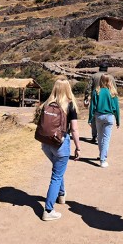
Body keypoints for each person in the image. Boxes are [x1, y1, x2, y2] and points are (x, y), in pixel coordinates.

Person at [39, 76, 81, 221]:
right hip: (61, 144)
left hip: (46, 144)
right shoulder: (70, 105)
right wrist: (78, 147)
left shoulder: (47, 103)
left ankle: (61, 195)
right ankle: (48, 210)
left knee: (58, 170)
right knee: (56, 175)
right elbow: (74, 129)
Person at [88, 74, 120, 168]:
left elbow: (92, 107)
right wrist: (118, 120)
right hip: (109, 116)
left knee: (100, 136)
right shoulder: (112, 92)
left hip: (99, 116)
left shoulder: (96, 91)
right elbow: (116, 108)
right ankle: (103, 159)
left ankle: (101, 155)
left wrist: (90, 118)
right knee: (106, 138)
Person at [84, 62, 116, 143]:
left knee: (94, 117)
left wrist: (86, 98)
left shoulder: (94, 76)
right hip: (107, 100)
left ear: (99, 68)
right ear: (107, 69)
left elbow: (88, 88)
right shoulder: (110, 77)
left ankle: (94, 136)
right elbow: (115, 89)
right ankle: (104, 137)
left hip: (95, 98)